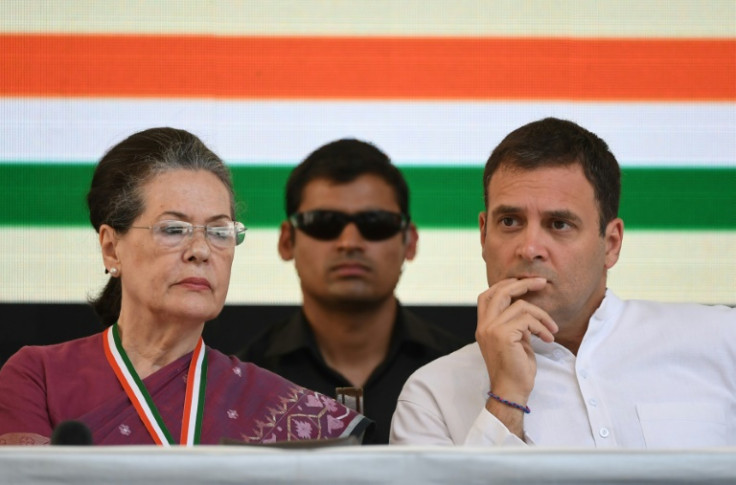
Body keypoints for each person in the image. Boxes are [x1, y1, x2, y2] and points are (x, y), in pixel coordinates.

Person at [0, 128, 369, 446]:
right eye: (174, 229)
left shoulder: (282, 408)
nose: (200, 251)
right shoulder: (40, 377)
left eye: (219, 231)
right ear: (112, 248)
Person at [390, 117, 736, 448]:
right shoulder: (431, 396)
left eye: (559, 224)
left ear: (611, 244)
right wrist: (505, 398)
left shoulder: (721, 341)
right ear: (483, 236)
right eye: (510, 221)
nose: (529, 248)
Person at [238, 139, 465, 444]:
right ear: (287, 241)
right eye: (324, 223)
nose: (349, 242)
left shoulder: (463, 374)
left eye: (375, 223)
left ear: (410, 241)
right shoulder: (242, 384)